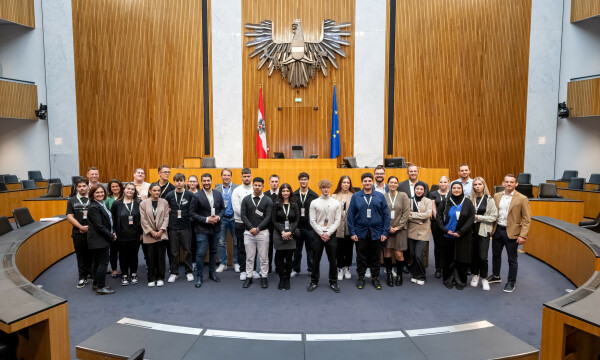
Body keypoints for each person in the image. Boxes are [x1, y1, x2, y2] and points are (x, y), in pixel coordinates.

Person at [347, 172, 390, 290]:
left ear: (373, 182)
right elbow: (350, 215)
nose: (367, 183)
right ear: (362, 183)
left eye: (369, 181)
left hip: (376, 232)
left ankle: (375, 278)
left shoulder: (379, 196)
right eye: (365, 181)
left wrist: (384, 232)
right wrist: (352, 232)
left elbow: (386, 215)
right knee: (361, 256)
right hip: (360, 231)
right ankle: (361, 277)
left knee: (375, 256)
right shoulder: (356, 196)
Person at [488, 174, 531, 293]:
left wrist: (523, 235)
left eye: (512, 182)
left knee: (512, 259)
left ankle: (511, 282)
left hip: (512, 232)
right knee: (496, 255)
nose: (509, 184)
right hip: (497, 230)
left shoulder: (522, 198)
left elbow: (527, 219)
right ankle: (496, 276)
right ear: (503, 183)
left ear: (516, 184)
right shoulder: (496, 196)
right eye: (507, 182)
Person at [436, 182, 475, 290]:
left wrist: (461, 232)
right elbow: (438, 217)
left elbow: (471, 218)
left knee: (461, 260)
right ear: (451, 189)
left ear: (462, 190)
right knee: (448, 259)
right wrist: (445, 230)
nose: (456, 190)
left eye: (459, 188)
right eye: (454, 188)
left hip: (462, 236)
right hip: (447, 236)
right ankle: (448, 278)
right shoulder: (446, 201)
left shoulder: (467, 202)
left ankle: (460, 280)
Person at [190, 173, 225, 288]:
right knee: (200, 253)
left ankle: (212, 273)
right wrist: (206, 219)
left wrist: (218, 217)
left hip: (215, 228)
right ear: (201, 182)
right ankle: (199, 276)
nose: (206, 183)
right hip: (202, 229)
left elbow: (222, 209)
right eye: (204, 181)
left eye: (208, 180)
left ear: (211, 181)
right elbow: (192, 213)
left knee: (214, 252)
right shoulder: (197, 196)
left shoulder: (218, 194)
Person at [308, 179, 342, 293]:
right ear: (320, 188)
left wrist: (328, 233)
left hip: (331, 234)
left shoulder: (336, 203)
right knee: (315, 259)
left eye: (327, 187)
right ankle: (314, 281)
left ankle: (333, 282)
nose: (326, 189)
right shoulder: (314, 202)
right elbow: (312, 221)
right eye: (323, 187)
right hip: (318, 234)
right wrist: (322, 233)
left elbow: (338, 220)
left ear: (330, 188)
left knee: (333, 260)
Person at [240, 177, 273, 289]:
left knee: (264, 257)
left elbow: (268, 217)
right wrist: (251, 228)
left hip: (262, 233)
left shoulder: (268, 200)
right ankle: (249, 277)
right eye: (255, 185)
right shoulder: (246, 199)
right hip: (248, 233)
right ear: (252, 186)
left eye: (259, 185)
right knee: (249, 257)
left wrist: (258, 229)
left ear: (263, 186)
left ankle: (264, 277)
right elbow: (243, 215)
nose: (257, 187)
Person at [164, 173, 195, 283]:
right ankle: (174, 272)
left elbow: (193, 209)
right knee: (174, 251)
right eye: (177, 181)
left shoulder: (190, 195)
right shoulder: (169, 195)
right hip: (172, 226)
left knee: (187, 250)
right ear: (174, 182)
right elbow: (165, 209)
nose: (179, 183)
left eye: (181, 180)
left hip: (186, 226)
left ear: (184, 181)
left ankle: (189, 271)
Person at [86, 184, 116, 295]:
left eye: (102, 192)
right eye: (97, 192)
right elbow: (99, 226)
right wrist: (111, 235)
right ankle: (101, 287)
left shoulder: (101, 204)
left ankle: (96, 283)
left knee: (97, 262)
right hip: (99, 239)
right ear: (92, 194)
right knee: (103, 263)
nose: (100, 194)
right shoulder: (94, 207)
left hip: (99, 239)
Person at [111, 183, 142, 286]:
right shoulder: (116, 203)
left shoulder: (138, 203)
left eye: (132, 189)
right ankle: (124, 275)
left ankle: (133, 274)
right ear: (124, 190)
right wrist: (114, 232)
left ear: (135, 191)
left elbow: (142, 219)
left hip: (135, 235)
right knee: (123, 256)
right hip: (121, 235)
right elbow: (113, 220)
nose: (130, 191)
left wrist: (141, 233)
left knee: (134, 255)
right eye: (128, 188)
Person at [469, 177, 498, 291]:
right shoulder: (469, 198)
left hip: (483, 231)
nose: (477, 186)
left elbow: (493, 217)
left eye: (479, 184)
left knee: (482, 256)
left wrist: (478, 217)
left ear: (484, 185)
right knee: (473, 256)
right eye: (475, 184)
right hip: (471, 231)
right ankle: (475, 276)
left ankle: (484, 278)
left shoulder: (489, 200)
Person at [140, 183, 170, 287]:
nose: (157, 192)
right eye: (154, 190)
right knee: (150, 258)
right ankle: (151, 278)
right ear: (150, 191)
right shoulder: (143, 203)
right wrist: (151, 231)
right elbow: (143, 219)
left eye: (158, 190)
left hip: (161, 234)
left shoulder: (164, 202)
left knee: (161, 258)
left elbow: (166, 217)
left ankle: (160, 277)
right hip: (149, 235)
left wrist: (161, 230)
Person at [382, 176, 410, 287]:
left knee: (399, 254)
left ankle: (399, 275)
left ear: (398, 185)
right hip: (387, 229)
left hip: (400, 230)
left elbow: (406, 213)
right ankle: (389, 274)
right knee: (387, 251)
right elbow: (381, 213)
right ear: (387, 184)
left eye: (395, 182)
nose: (393, 184)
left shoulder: (403, 196)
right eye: (391, 182)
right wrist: (387, 227)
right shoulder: (383, 196)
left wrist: (398, 227)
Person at [271, 183, 299, 290]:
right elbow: (273, 220)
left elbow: (296, 221)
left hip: (291, 232)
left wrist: (290, 232)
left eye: (287, 191)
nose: (285, 193)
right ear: (280, 192)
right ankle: (281, 278)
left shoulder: (294, 204)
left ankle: (287, 278)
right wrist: (282, 232)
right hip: (279, 232)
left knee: (289, 258)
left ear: (290, 192)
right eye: (283, 191)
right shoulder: (276, 204)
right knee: (279, 256)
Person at [66, 178, 92, 289]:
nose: (82, 188)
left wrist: (89, 228)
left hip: (93, 232)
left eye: (84, 186)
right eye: (80, 186)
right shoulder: (71, 200)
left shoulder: (93, 198)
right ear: (76, 188)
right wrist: (81, 227)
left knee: (93, 254)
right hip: (78, 232)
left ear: (88, 186)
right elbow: (69, 217)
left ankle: (92, 273)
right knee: (81, 255)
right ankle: (82, 277)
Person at [292, 172, 319, 277]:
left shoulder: (314, 195)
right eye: (301, 179)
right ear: (299, 181)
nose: (303, 181)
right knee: (296, 250)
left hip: (310, 227)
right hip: (297, 227)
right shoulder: (293, 195)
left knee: (311, 250)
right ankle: (296, 269)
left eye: (305, 179)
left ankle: (311, 269)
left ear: (308, 180)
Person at [407, 182, 433, 285]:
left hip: (423, 232)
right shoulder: (409, 200)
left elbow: (427, 215)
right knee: (412, 255)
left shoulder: (428, 201)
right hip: (411, 230)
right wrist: (419, 217)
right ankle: (414, 274)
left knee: (419, 255)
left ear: (424, 190)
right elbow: (406, 215)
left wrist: (413, 214)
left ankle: (422, 276)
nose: (419, 191)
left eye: (421, 189)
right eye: (417, 189)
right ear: (414, 189)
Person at [231, 168, 255, 281]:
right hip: (240, 223)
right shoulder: (237, 190)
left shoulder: (255, 189)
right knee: (241, 247)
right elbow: (236, 209)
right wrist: (248, 221)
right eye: (244, 176)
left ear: (251, 176)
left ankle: (253, 269)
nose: (246, 178)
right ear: (241, 177)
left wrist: (252, 223)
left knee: (253, 248)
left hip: (254, 225)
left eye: (248, 176)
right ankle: (243, 270)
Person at [331, 175, 356, 281]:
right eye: (344, 182)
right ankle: (340, 268)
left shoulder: (354, 195)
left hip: (350, 227)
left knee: (349, 249)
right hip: (338, 228)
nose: (346, 184)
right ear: (340, 184)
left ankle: (347, 268)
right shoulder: (334, 196)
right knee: (339, 250)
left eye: (348, 183)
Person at [215, 169, 238, 273]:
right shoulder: (217, 188)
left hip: (234, 218)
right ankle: (223, 263)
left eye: (228, 175)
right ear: (221, 176)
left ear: (231, 176)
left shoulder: (236, 188)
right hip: (222, 219)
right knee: (221, 242)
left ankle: (236, 262)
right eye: (224, 175)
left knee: (236, 241)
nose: (226, 177)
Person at [428, 176, 450, 279]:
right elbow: (433, 210)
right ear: (438, 183)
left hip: (449, 223)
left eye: (445, 182)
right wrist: (440, 221)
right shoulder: (433, 194)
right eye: (441, 182)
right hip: (436, 223)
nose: (443, 184)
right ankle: (438, 268)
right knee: (438, 246)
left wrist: (446, 221)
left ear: (448, 183)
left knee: (447, 245)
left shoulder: (452, 193)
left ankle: (446, 266)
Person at [105, 179, 123, 278]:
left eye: (117, 186)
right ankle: (114, 269)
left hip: (124, 228)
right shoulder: (107, 199)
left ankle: (123, 268)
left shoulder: (124, 197)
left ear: (120, 187)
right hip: (112, 228)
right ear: (110, 188)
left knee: (123, 250)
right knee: (113, 250)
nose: (115, 188)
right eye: (113, 187)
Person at [264, 174, 280, 273]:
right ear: (269, 183)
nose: (274, 184)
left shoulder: (283, 194)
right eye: (272, 182)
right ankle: (268, 268)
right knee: (267, 249)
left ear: (279, 183)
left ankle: (278, 267)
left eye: (276, 182)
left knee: (278, 249)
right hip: (267, 226)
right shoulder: (264, 195)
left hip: (279, 227)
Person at [187, 174, 200, 268]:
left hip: (199, 221)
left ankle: (196, 261)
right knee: (190, 242)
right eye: (190, 181)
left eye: (194, 181)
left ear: (197, 183)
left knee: (197, 241)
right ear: (188, 183)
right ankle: (191, 261)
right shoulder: (185, 193)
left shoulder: (200, 193)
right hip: (187, 222)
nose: (192, 183)